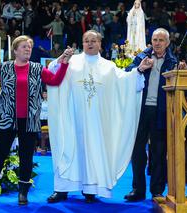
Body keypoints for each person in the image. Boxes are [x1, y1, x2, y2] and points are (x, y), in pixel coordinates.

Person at [0, 35, 73, 205]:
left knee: (27, 157)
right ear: (15, 51)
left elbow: (55, 80)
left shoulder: (38, 68)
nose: (28, 49)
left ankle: (23, 193)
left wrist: (64, 62)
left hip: (29, 120)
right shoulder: (4, 67)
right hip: (7, 119)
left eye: (29, 47)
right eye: (23, 47)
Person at [46, 30, 150, 203]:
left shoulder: (108, 66)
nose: (89, 43)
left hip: (97, 121)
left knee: (93, 150)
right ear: (82, 43)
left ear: (100, 44)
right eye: (86, 40)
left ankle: (90, 189)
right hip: (74, 117)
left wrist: (139, 70)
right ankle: (62, 190)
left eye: (93, 40)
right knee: (68, 149)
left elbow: (125, 81)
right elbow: (52, 71)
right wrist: (61, 59)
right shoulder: (72, 61)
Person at [124, 28, 179, 201]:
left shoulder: (173, 61)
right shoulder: (142, 56)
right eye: (155, 39)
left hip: (161, 111)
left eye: (161, 40)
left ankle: (157, 190)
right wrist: (140, 68)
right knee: (138, 151)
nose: (157, 43)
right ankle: (138, 190)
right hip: (141, 110)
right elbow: (127, 74)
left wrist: (180, 72)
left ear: (167, 43)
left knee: (158, 152)